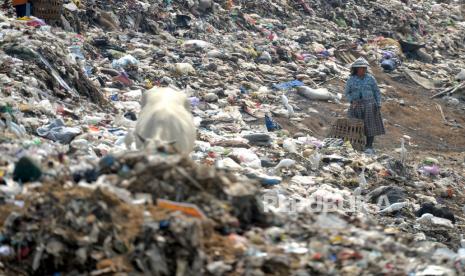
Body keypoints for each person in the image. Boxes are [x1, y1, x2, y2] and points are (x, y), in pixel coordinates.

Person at [344, 57, 385, 154]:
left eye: (364, 68)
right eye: (360, 68)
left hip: (370, 105)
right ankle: (356, 144)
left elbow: (376, 92)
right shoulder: (351, 80)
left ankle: (369, 145)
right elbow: (347, 93)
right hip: (356, 105)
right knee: (355, 125)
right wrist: (351, 101)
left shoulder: (370, 78)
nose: (363, 70)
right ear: (356, 69)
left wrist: (378, 104)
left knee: (370, 125)